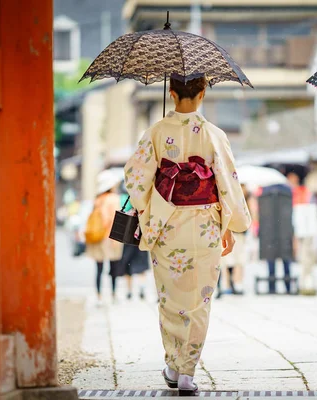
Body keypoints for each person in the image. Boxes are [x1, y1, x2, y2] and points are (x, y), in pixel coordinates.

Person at [123, 73, 251, 396]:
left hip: (166, 225)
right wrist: (230, 224)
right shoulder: (214, 135)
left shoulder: (155, 133)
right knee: (200, 299)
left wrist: (149, 208)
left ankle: (172, 363)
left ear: (171, 91)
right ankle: (186, 373)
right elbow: (227, 183)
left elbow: (135, 178)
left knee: (170, 297)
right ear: (203, 91)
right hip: (206, 223)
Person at [86, 170, 125, 304]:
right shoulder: (113, 199)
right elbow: (114, 218)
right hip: (110, 236)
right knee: (114, 266)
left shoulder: (98, 200)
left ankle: (98, 295)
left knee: (99, 268)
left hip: (98, 236)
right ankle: (113, 294)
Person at [258, 182, 294, 294]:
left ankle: (272, 287)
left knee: (272, 259)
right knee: (285, 259)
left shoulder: (265, 192)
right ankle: (287, 287)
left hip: (269, 232)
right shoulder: (286, 192)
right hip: (282, 231)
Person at [287, 170, 317, 296]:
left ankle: (307, 279)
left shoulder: (304, 191)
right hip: (296, 225)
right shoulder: (289, 192)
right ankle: (304, 280)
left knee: (308, 253)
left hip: (306, 224)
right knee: (302, 254)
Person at [217, 183, 250, 297]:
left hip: (239, 234)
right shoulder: (230, 197)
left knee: (237, 259)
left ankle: (233, 284)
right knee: (225, 260)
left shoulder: (245, 201)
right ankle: (224, 285)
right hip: (227, 231)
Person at [119, 189, 150, 300]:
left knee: (127, 264)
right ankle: (141, 287)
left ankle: (129, 291)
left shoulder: (125, 198)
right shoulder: (145, 197)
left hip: (128, 235)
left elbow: (121, 211)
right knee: (141, 265)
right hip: (141, 235)